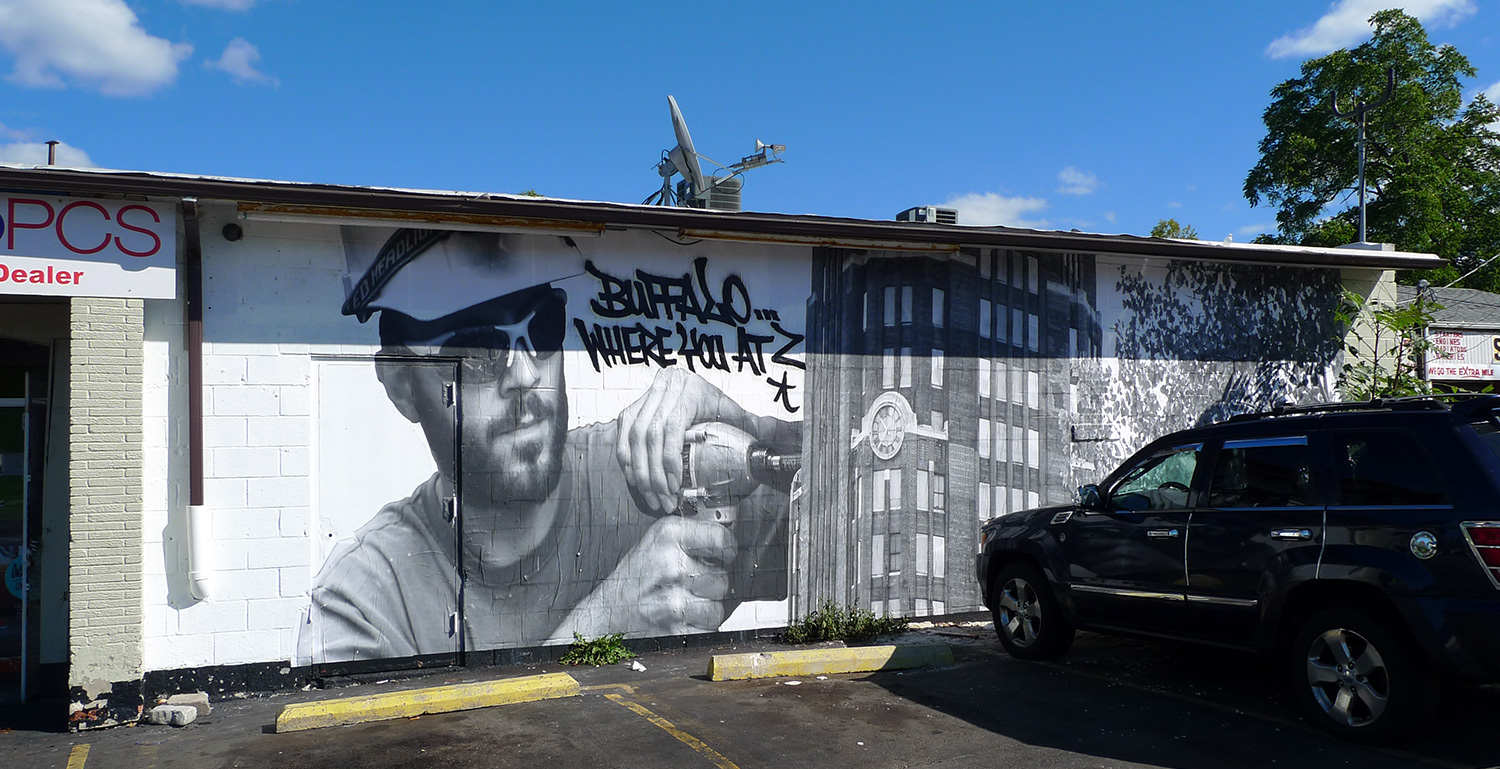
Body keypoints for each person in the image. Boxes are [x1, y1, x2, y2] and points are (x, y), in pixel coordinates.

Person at [296, 228, 798, 664]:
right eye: (478, 350)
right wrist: (604, 627)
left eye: (541, 328)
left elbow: (846, 498)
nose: (526, 374)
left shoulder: (658, 474)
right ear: (403, 385)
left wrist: (743, 424)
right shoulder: (364, 602)